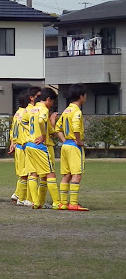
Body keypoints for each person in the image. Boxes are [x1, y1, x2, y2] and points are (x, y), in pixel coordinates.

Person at [24, 87, 61, 209]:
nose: (52, 105)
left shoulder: (32, 109)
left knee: (33, 174)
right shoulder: (44, 109)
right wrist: (43, 136)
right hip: (39, 146)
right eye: (52, 102)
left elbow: (25, 122)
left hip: (29, 144)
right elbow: (41, 121)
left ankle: (36, 202)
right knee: (50, 173)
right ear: (48, 99)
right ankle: (56, 202)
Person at [55, 83, 89, 211]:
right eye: (85, 95)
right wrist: (78, 140)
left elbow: (57, 128)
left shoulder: (66, 111)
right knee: (77, 174)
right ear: (81, 96)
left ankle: (63, 203)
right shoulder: (76, 111)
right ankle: (73, 203)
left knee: (66, 174)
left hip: (66, 145)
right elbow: (75, 126)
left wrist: (64, 140)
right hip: (74, 146)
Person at [19, 86, 42, 206]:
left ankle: (25, 198)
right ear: (31, 98)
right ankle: (29, 198)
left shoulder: (25, 111)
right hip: (32, 143)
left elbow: (21, 123)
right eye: (38, 96)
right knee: (34, 173)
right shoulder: (35, 110)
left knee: (29, 172)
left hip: (25, 143)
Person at [8, 90, 29, 205]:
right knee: (25, 174)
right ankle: (21, 197)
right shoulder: (25, 113)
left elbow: (13, 130)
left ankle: (17, 194)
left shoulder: (17, 113)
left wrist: (12, 142)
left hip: (17, 145)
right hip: (23, 145)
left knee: (23, 173)